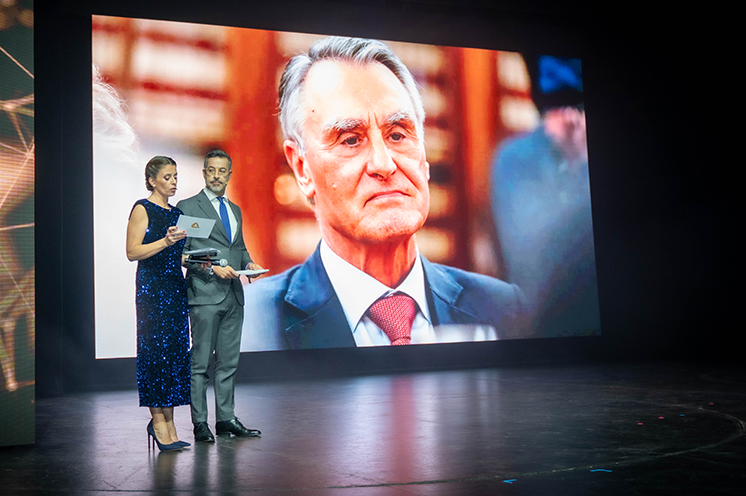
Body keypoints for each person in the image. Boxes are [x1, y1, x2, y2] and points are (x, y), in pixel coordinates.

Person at [242, 36, 530, 351]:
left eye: (397, 134)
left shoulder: (507, 310)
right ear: (301, 168)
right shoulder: (247, 325)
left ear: (424, 155)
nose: (384, 164)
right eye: (350, 140)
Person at [490, 55, 600, 337]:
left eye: (576, 106)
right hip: (541, 328)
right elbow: (532, 262)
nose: (570, 118)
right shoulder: (515, 161)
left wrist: (581, 160)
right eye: (558, 106)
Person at [177, 150, 265, 443]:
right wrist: (214, 268)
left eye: (222, 171)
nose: (216, 176)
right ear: (203, 172)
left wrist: (249, 263)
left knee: (228, 363)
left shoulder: (234, 210)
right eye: (211, 170)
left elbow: (238, 248)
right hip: (204, 295)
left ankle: (226, 419)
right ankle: (200, 422)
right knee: (200, 363)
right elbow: (184, 255)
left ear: (229, 174)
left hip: (233, 296)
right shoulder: (188, 207)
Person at [125, 156, 191, 451]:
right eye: (167, 177)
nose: (173, 181)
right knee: (154, 352)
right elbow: (132, 251)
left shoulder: (178, 214)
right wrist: (165, 241)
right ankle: (158, 421)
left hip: (175, 287)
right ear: (152, 180)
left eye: (175, 176)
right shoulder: (143, 208)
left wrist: (201, 260)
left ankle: (170, 423)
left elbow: (177, 257)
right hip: (152, 291)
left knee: (174, 352)